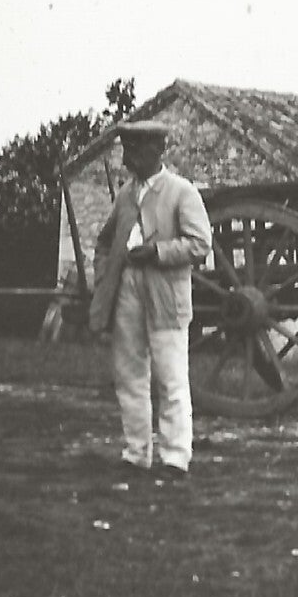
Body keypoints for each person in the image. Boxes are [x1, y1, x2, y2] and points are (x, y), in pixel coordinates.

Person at [88, 121, 212, 482]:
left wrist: (157, 252)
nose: (128, 160)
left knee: (171, 377)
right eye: (126, 151)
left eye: (136, 151)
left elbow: (200, 243)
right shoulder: (127, 194)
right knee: (129, 374)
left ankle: (175, 458)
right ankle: (136, 453)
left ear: (158, 151)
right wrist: (106, 277)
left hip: (166, 295)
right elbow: (104, 243)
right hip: (127, 289)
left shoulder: (181, 192)